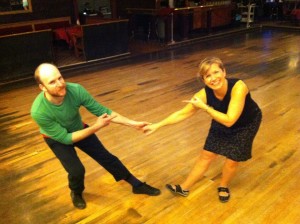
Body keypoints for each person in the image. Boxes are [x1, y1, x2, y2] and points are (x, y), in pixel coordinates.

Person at [31, 63, 161, 210]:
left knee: (107, 158)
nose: (60, 84)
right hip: (57, 138)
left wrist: (133, 124)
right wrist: (96, 127)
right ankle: (76, 192)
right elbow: (66, 139)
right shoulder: (38, 111)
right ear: (42, 87)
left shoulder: (75, 90)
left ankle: (136, 185)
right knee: (76, 171)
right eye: (52, 82)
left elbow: (103, 111)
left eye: (60, 78)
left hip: (78, 128)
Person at [143, 57, 262, 203]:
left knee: (232, 159)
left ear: (224, 72)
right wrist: (157, 125)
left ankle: (223, 186)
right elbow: (183, 113)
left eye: (216, 72)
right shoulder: (204, 94)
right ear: (203, 79)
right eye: (208, 76)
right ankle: (184, 188)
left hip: (246, 123)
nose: (213, 79)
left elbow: (230, 120)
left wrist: (205, 108)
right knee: (206, 154)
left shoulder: (238, 87)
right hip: (220, 118)